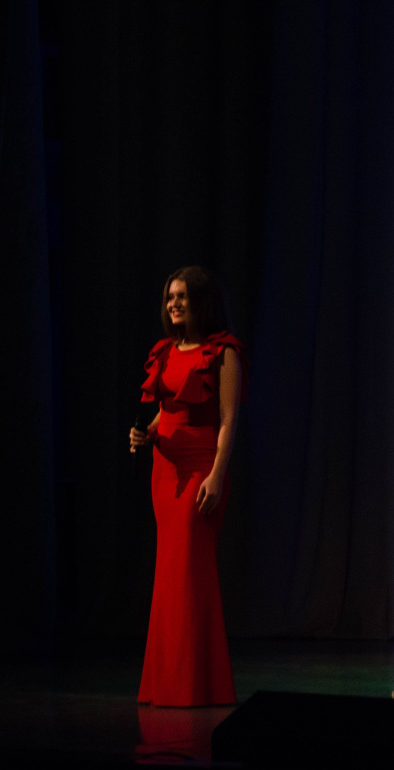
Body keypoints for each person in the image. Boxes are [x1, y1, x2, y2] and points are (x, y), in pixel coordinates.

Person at [129, 266, 246, 707]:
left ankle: (196, 685)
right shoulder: (165, 352)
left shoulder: (223, 353)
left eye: (182, 296)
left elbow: (229, 419)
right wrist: (145, 433)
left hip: (201, 470)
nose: (174, 304)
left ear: (203, 302)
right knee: (169, 576)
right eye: (170, 297)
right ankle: (165, 683)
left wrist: (217, 473)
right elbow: (167, 410)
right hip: (164, 472)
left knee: (190, 576)